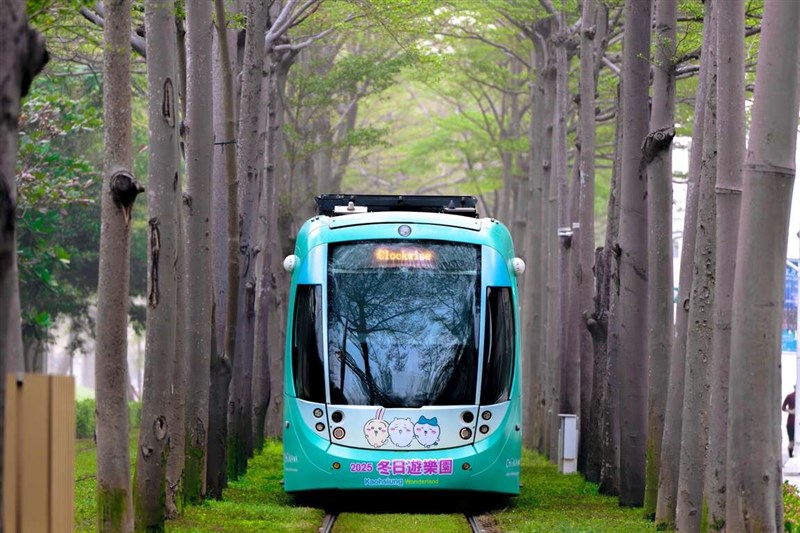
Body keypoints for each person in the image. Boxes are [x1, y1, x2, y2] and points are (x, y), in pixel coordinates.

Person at [783, 386, 796, 458]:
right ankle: (791, 456)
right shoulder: (790, 396)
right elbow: (783, 407)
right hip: (791, 423)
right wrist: (791, 411)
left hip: (798, 423)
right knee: (792, 441)